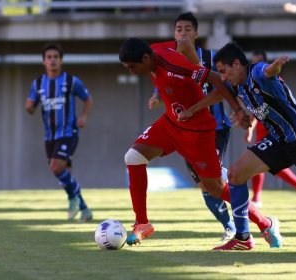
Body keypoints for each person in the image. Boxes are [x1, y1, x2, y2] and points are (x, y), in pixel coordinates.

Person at [179, 42, 296, 249]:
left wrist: (275, 65)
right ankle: (243, 238)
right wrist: (203, 110)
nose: (222, 77)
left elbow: (268, 71)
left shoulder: (256, 71)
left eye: (223, 71)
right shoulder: (234, 84)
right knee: (235, 175)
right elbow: (219, 94)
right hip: (276, 140)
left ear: (237, 64)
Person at [119, 37, 282, 251]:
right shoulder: (157, 49)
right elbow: (184, 42)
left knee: (214, 188)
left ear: (146, 58)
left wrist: (237, 110)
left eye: (133, 66)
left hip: (197, 131)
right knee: (133, 157)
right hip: (171, 123)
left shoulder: (175, 67)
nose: (132, 71)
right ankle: (142, 222)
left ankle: (265, 223)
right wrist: (195, 60)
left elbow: (216, 79)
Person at [148, 12, 236, 242]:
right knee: (204, 185)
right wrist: (156, 95)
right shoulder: (167, 59)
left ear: (196, 33)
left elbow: (226, 84)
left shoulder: (212, 57)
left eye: (188, 29)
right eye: (179, 29)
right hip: (185, 130)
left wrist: (239, 109)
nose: (183, 33)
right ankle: (230, 226)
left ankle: (244, 216)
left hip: (215, 127)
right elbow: (165, 81)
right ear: (173, 33)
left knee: (213, 179)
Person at [25, 43, 93, 223]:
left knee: (56, 166)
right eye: (49, 57)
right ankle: (84, 208)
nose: (52, 60)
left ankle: (75, 201)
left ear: (61, 60)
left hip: (68, 132)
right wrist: (30, 108)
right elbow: (31, 104)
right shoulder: (38, 83)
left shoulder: (71, 81)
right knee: (62, 173)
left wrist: (84, 116)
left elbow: (87, 99)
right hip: (50, 136)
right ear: (43, 61)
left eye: (56, 57)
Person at [245, 50, 296, 208]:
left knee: (263, 161)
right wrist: (250, 128)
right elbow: (256, 107)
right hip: (263, 127)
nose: (255, 66)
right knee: (264, 162)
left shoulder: (273, 79)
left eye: (258, 62)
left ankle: (257, 198)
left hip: (276, 128)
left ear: (264, 64)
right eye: (253, 62)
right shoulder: (250, 82)